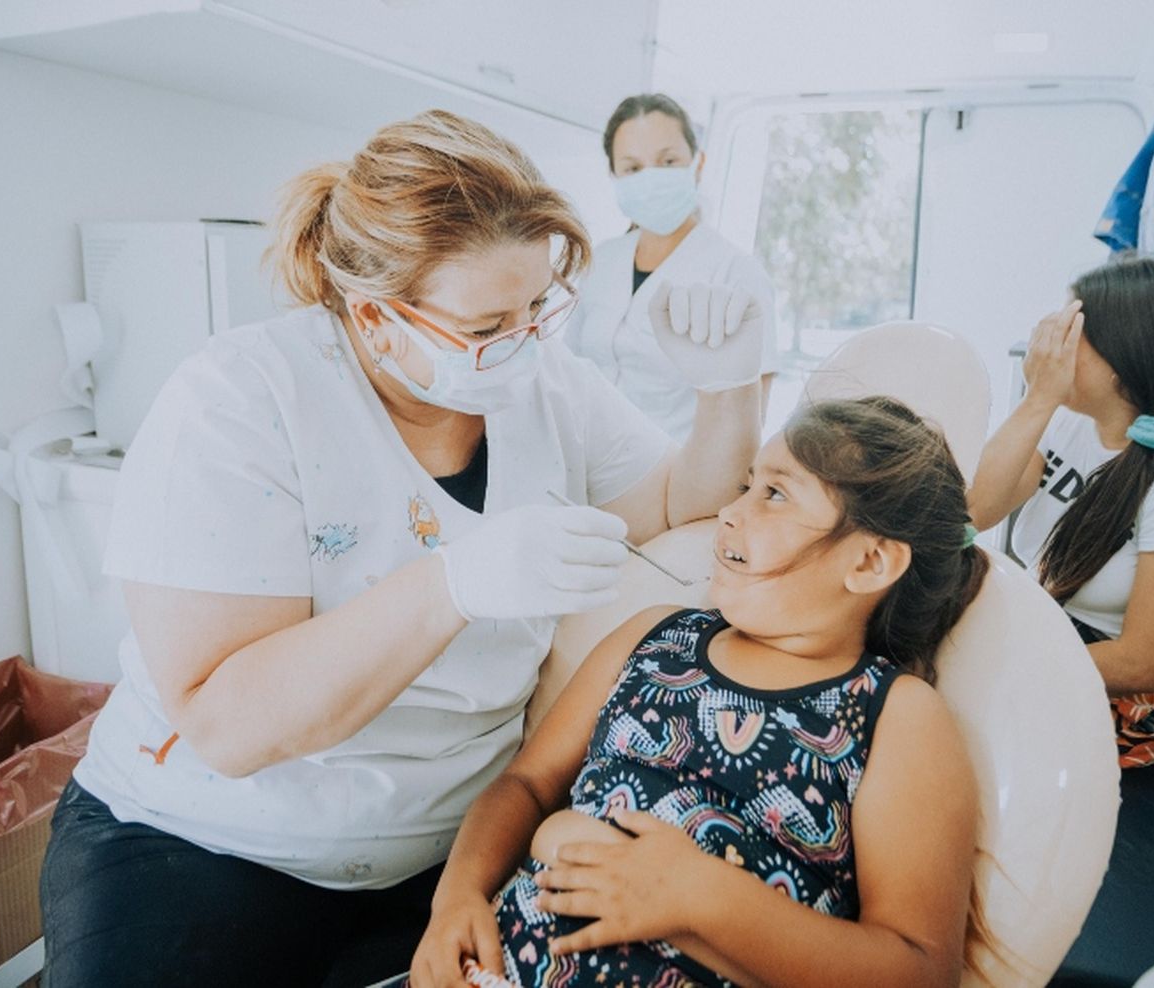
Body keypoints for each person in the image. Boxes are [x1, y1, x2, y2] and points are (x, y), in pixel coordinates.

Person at [38, 110, 767, 986]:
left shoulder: (550, 385)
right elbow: (228, 727)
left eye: (538, 307)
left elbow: (673, 500)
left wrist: (728, 391)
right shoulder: (239, 400)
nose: (524, 341)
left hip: (438, 857)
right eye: (490, 320)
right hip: (197, 841)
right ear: (377, 319)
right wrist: (450, 586)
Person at [410, 397, 988, 988]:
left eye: (776, 494)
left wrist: (701, 899)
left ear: (868, 562)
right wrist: (456, 899)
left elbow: (919, 968)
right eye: (746, 485)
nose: (729, 511)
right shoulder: (656, 636)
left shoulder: (893, 713)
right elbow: (527, 785)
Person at [968, 255, 1154, 769]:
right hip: (1047, 632)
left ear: (1124, 358)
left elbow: (1142, 663)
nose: (1053, 348)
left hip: (1127, 694)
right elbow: (975, 513)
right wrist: (1036, 402)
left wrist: (994, 664)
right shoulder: (1069, 421)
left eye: (1071, 333)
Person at [562, 93, 779, 442]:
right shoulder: (601, 261)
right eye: (633, 168)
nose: (651, 179)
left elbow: (750, 420)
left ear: (698, 163)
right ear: (614, 174)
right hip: (585, 458)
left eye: (668, 161)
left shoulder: (735, 273)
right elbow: (567, 369)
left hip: (676, 477)